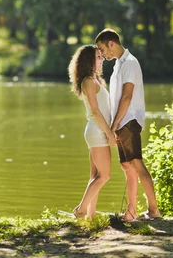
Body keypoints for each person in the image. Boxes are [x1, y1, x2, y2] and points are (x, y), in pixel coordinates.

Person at [95, 29, 161, 222]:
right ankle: (131, 212)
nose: (102, 54)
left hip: (129, 121)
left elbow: (127, 96)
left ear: (111, 43)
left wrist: (114, 124)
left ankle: (154, 210)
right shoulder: (118, 65)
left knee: (136, 163)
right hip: (121, 122)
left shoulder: (130, 63)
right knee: (126, 165)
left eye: (102, 48)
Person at [68, 44, 118, 220]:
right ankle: (81, 210)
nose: (102, 58)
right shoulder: (88, 81)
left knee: (95, 176)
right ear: (89, 60)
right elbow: (96, 112)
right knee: (104, 175)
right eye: (98, 56)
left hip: (97, 131)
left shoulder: (94, 80)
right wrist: (110, 134)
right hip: (98, 131)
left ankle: (91, 216)